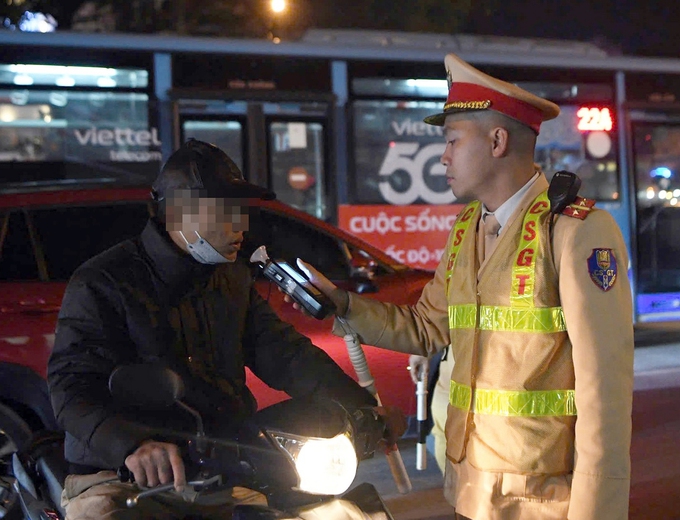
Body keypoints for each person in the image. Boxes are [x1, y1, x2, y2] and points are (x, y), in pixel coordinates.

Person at [291, 54, 634, 520]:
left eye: (453, 140)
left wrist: (596, 513)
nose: (444, 156)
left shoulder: (574, 232)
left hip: (540, 503)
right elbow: (426, 327)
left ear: (497, 141)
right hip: (470, 493)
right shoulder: (466, 228)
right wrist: (341, 303)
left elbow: (604, 391)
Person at [47, 139, 403, 520]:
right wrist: (132, 445)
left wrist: (363, 408)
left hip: (218, 473)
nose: (240, 226)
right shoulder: (103, 282)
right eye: (226, 213)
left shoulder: (231, 279)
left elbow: (286, 354)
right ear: (180, 213)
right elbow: (70, 385)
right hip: (122, 478)